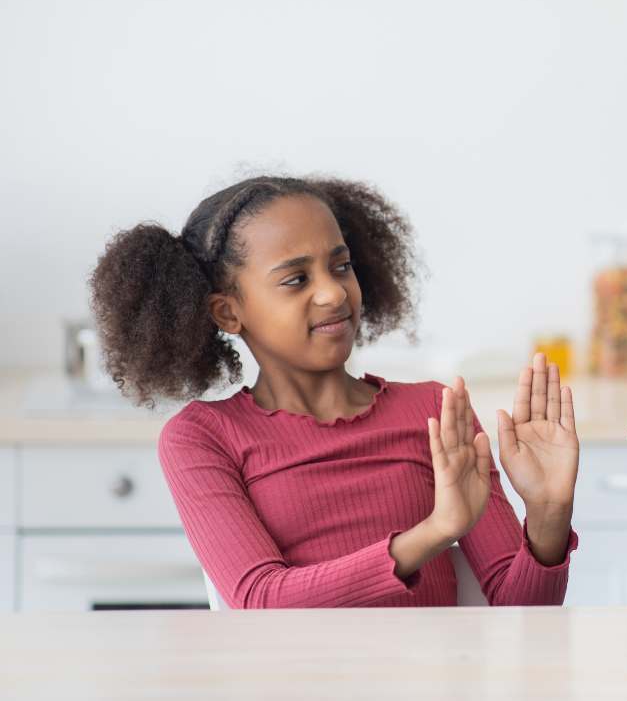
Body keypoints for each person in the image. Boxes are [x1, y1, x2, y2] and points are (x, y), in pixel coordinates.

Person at [90, 176, 579, 608]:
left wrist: (549, 512)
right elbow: (261, 600)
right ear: (227, 313)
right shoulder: (203, 437)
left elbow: (523, 613)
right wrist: (434, 534)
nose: (334, 293)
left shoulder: (435, 410)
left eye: (341, 266)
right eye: (297, 279)